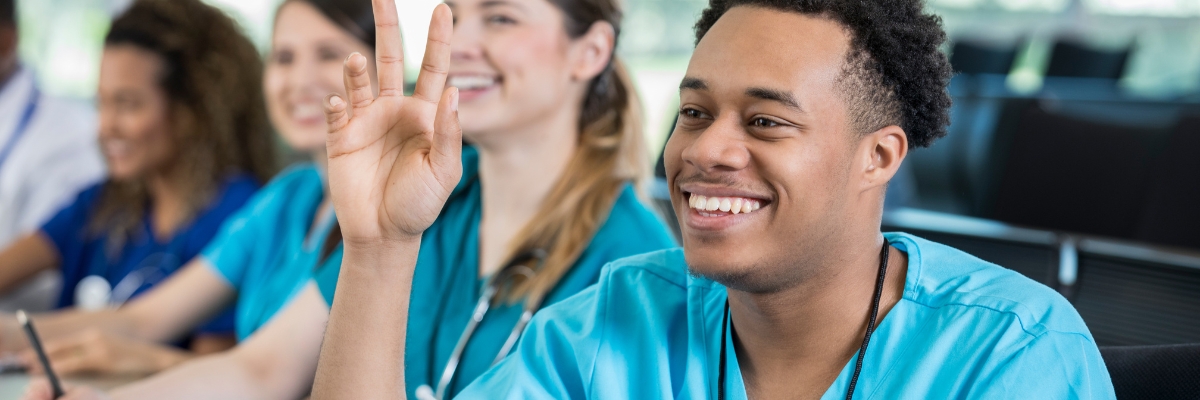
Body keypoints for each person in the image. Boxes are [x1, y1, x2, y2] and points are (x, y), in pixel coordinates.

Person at [309, 0, 1117, 398]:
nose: (705, 150)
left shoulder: (1015, 354)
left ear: (878, 157)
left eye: (765, 120)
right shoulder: (615, 321)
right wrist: (380, 247)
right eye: (693, 111)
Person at [22, 0, 675, 398]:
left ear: (591, 50)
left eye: (500, 15)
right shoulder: (433, 205)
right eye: (454, 13)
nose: (461, 42)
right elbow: (265, 370)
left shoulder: (641, 268)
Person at [0, 0, 361, 377]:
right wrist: (12, 333)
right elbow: (143, 321)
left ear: (191, 111)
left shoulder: (237, 206)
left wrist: (146, 360)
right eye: (284, 57)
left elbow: (261, 377)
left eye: (128, 103)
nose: (300, 80)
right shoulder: (286, 198)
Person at [0, 0, 105, 311]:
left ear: (6, 39)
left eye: (127, 103)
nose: (107, 124)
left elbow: (46, 262)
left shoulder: (68, 138)